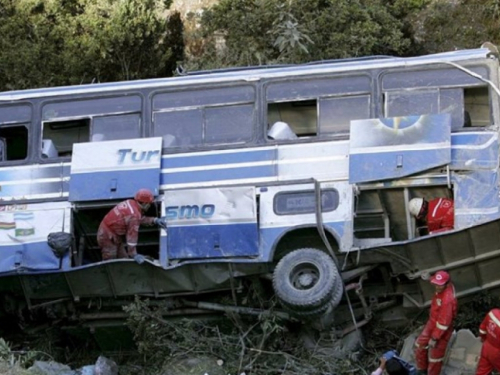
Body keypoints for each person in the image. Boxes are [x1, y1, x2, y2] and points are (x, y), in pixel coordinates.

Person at [97, 188, 167, 263]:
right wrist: (134, 254)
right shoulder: (134, 215)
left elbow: (138, 218)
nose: (149, 206)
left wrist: (154, 220)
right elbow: (132, 237)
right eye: (149, 204)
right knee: (111, 262)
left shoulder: (131, 203)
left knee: (124, 259)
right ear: (144, 204)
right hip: (107, 237)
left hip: (110, 233)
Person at [414, 270, 457, 375]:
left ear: (446, 284)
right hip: (433, 321)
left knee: (435, 357)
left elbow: (444, 323)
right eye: (436, 284)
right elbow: (439, 280)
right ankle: (422, 369)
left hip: (442, 331)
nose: (437, 287)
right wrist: (429, 278)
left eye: (440, 285)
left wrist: (434, 338)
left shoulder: (447, 300)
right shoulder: (445, 286)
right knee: (420, 344)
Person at [475, 308, 500, 375]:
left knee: (482, 371)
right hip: (497, 353)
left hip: (486, 347)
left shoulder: (492, 313)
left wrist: (485, 339)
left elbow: (482, 330)